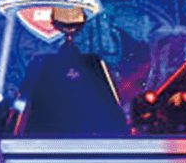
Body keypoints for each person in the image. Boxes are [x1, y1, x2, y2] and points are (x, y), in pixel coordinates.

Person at [15, 7, 123, 137]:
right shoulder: (42, 62)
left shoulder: (94, 62)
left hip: (90, 138)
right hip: (45, 138)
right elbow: (23, 105)